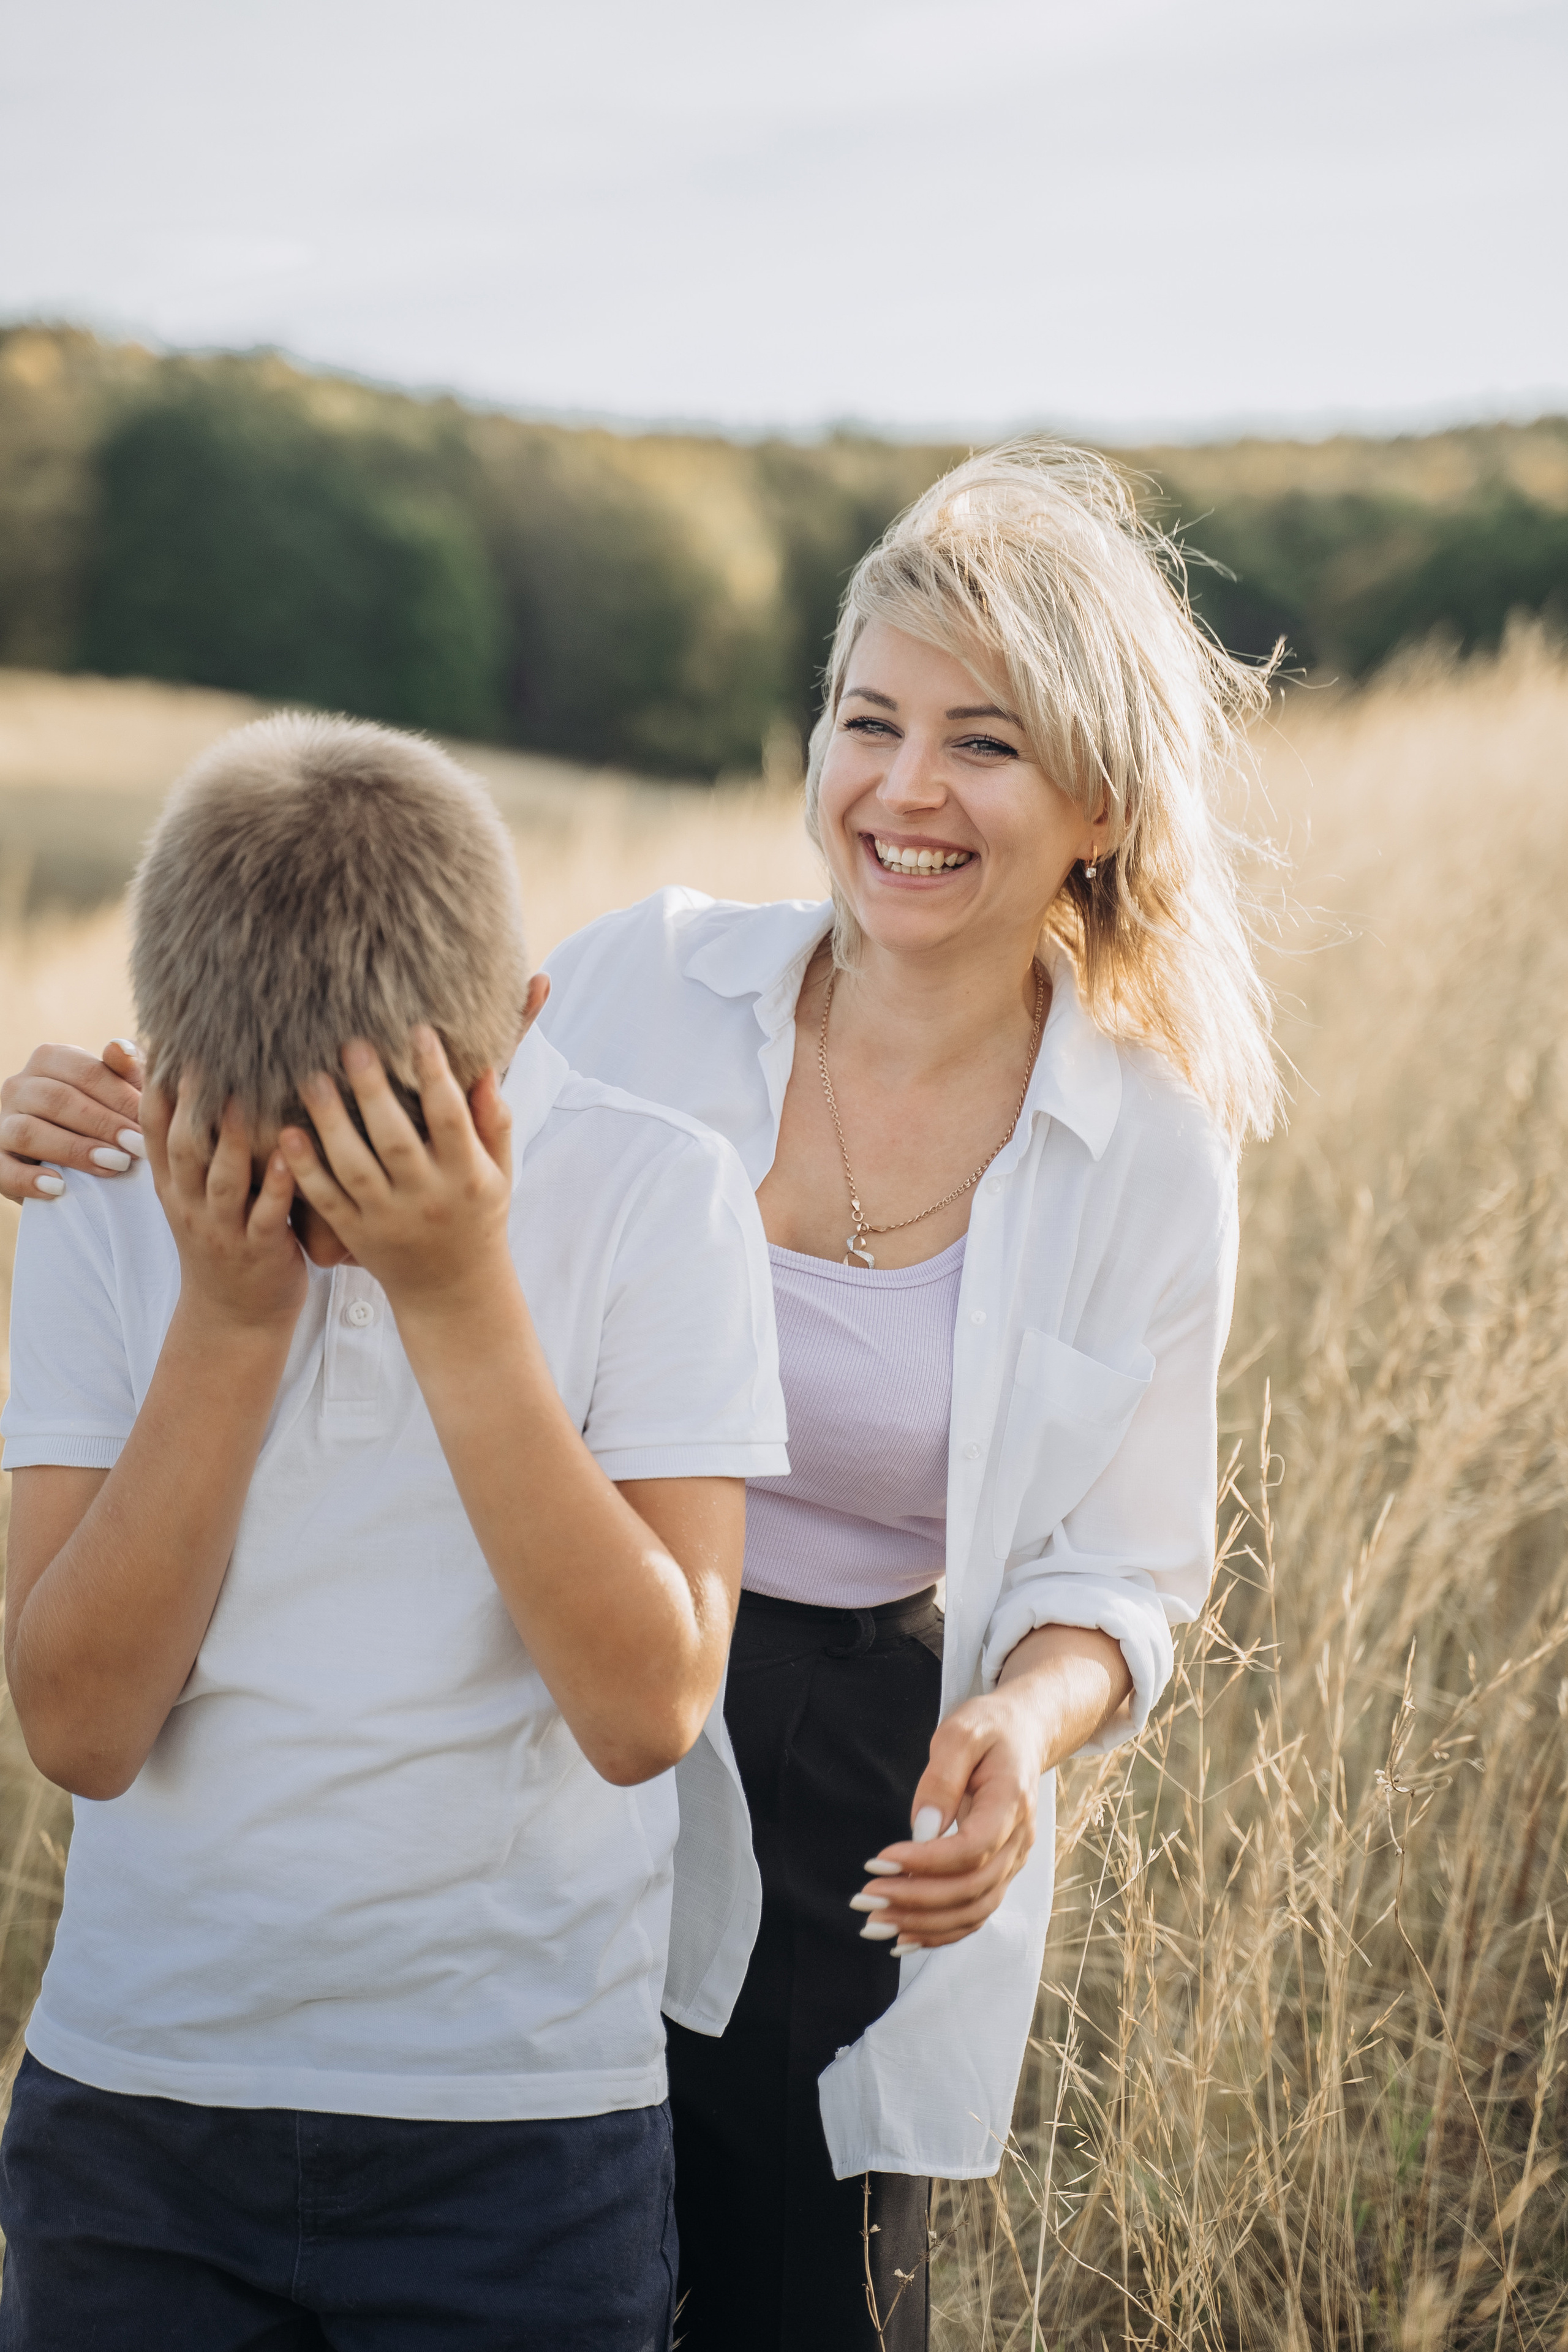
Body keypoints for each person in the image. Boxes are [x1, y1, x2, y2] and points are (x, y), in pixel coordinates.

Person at [1, 439, 1276, 2352]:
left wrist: (1027, 1715)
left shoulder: (1150, 1152)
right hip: (532, 1685)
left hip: (858, 1761)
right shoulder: (639, 988)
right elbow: (374, 1066)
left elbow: (1129, 1565)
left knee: (800, 2297)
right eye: (870, 720)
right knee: (558, 2206)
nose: (905, 789)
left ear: (1097, 799)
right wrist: (105, 1102)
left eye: (985, 743)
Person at [0, 713, 787, 2350]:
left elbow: (648, 1710)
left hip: (521, 2130)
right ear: (162, 1078)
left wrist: (456, 1293)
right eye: (276, 1172)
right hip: (141, 2117)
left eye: (385, 1158)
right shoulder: (105, 1195)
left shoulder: (660, 1197)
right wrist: (227, 1317)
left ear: (522, 1034)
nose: (329, 1222)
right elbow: (79, 1728)